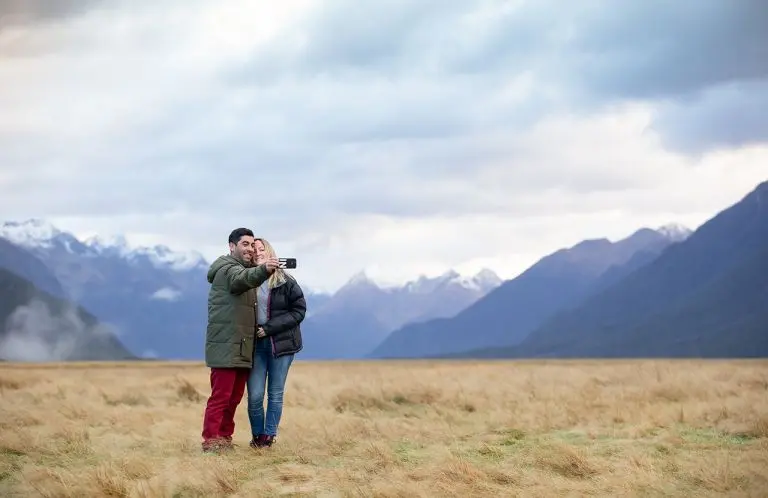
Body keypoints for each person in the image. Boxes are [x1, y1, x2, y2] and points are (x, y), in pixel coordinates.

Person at [201, 227, 279, 453]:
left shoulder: (245, 270)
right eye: (245, 244)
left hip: (242, 347)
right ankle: (210, 440)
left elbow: (247, 278)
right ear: (232, 246)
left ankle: (223, 438)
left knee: (233, 398)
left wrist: (258, 268)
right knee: (220, 397)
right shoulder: (228, 270)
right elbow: (241, 279)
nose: (250, 248)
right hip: (226, 346)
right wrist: (263, 269)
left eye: (252, 245)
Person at [247, 237, 306, 448]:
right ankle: (257, 435)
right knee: (254, 395)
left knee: (275, 393)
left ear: (269, 251)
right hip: (255, 346)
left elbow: (299, 311)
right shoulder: (246, 280)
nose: (258, 252)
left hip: (281, 344)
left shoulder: (285, 281)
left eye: (261, 249)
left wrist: (269, 329)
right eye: (253, 249)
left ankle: (268, 438)